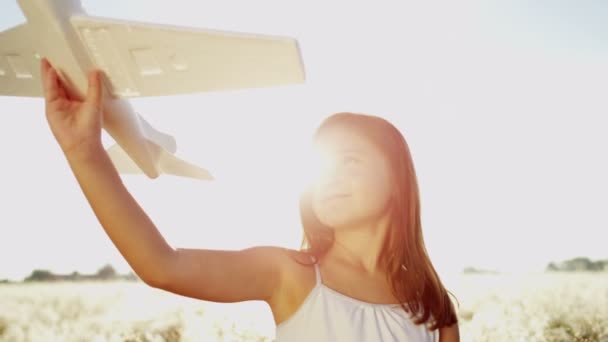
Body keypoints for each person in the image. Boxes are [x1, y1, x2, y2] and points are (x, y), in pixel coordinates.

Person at [39, 58, 460, 341]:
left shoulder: (431, 304)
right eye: (324, 163)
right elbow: (161, 265)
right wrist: (85, 153)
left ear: (398, 180)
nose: (329, 175)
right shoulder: (289, 273)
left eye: (349, 160)